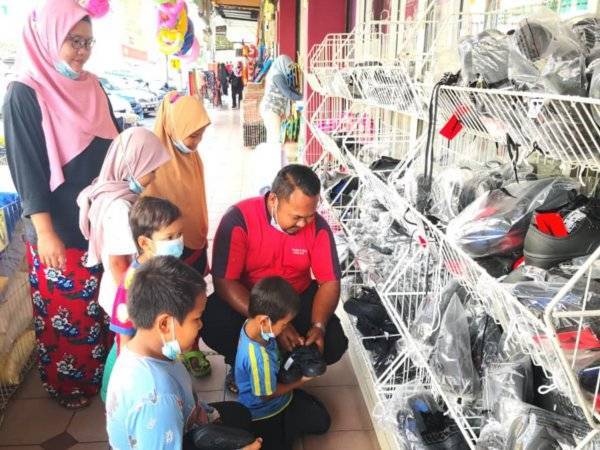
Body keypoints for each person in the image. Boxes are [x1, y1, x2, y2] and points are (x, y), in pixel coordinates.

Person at [3, 0, 119, 409]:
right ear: (49, 36)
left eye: (88, 42)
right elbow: (27, 169)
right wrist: (46, 232)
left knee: (101, 306)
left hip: (100, 225)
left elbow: (114, 147)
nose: (83, 51)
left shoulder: (94, 85)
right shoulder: (22, 92)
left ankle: (105, 377)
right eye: (74, 41)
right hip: (60, 231)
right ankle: (69, 388)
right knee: (67, 315)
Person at [201, 164, 348, 392]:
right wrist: (274, 325)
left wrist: (318, 326)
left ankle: (283, 368)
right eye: (297, 216)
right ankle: (242, 366)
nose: (303, 224)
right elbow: (224, 282)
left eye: (309, 216)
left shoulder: (318, 227)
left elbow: (329, 281)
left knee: (334, 342)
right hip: (250, 299)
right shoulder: (239, 219)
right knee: (212, 321)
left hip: (294, 298)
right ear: (273, 200)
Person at [106, 256, 262, 450]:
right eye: (196, 318)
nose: (201, 324)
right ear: (164, 324)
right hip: (167, 430)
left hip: (181, 424)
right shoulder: (158, 397)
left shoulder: (148, 350)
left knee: (239, 415)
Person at [100, 196, 189, 401]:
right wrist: (131, 379)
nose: (177, 242)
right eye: (169, 238)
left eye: (179, 234)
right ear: (144, 243)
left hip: (156, 353)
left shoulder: (166, 266)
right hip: (131, 362)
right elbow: (125, 337)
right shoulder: (133, 282)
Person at [77, 127, 170, 318]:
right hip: (127, 296)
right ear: (132, 166)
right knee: (128, 344)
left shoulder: (114, 195)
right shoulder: (118, 207)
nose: (154, 177)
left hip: (128, 289)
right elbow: (119, 264)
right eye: (151, 170)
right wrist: (138, 307)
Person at [236, 276, 330, 450]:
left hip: (281, 397)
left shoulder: (253, 325)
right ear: (264, 321)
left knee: (322, 422)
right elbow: (266, 395)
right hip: (263, 412)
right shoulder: (258, 358)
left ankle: (291, 421)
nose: (286, 328)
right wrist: (300, 381)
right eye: (285, 324)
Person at [144, 92, 211, 276]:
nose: (197, 142)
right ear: (173, 127)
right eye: (193, 135)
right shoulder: (151, 163)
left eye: (201, 135)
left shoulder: (191, 156)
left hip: (195, 239)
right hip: (170, 246)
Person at [260, 55, 302, 146]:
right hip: (271, 111)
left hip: (271, 110)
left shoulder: (278, 73)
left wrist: (299, 95)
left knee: (273, 138)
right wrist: (304, 98)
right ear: (283, 64)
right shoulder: (277, 76)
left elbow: (290, 89)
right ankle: (276, 158)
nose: (290, 71)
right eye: (288, 67)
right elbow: (288, 93)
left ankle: (273, 158)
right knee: (276, 139)